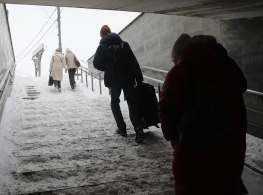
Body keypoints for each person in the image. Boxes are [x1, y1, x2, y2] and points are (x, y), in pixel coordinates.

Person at [158, 34, 247, 195]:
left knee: (193, 185)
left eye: (174, 59)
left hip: (194, 147)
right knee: (227, 183)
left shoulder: (179, 72)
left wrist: (172, 137)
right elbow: (242, 85)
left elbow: (166, 109)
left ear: (180, 54)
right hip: (232, 141)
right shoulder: (225, 65)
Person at [93, 25, 144, 143]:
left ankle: (122, 128)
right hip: (128, 78)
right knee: (132, 102)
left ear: (102, 35)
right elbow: (133, 61)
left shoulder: (102, 46)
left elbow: (96, 63)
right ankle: (138, 129)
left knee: (115, 102)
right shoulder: (123, 44)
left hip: (114, 79)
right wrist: (139, 78)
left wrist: (107, 67)